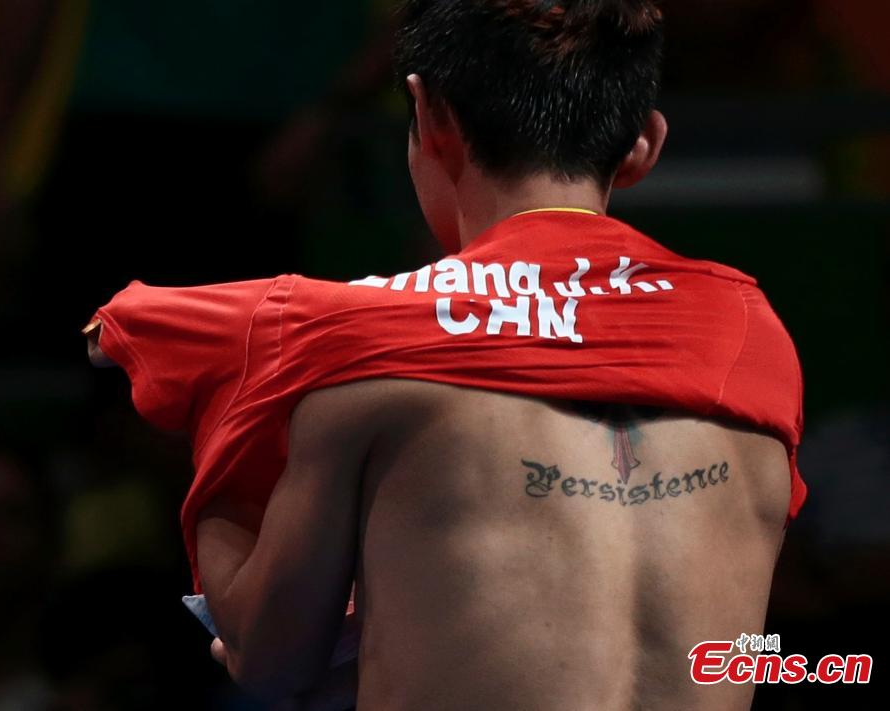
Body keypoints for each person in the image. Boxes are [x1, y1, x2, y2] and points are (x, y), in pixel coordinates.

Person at [84, 1, 806, 709]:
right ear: (645, 142)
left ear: (430, 117)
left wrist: (219, 405)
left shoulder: (359, 349)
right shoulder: (754, 336)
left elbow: (270, 662)